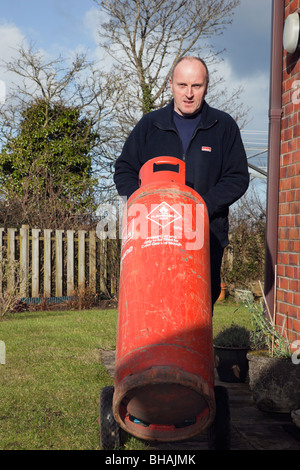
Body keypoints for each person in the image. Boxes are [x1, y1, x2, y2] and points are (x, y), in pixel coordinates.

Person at [114, 56, 249, 306]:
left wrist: (200, 208)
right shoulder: (149, 125)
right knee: (154, 305)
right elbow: (124, 169)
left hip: (205, 235)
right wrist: (143, 204)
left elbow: (238, 177)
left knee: (196, 308)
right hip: (155, 234)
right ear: (170, 84)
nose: (188, 93)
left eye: (196, 86)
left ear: (206, 87)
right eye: (182, 85)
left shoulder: (224, 126)